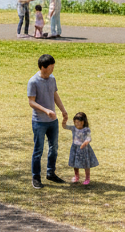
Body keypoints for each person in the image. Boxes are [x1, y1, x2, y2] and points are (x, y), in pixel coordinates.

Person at [27, 53, 70, 188]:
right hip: (39, 121)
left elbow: (55, 94)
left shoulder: (52, 79)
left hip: (53, 121)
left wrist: (63, 110)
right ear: (43, 67)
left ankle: (51, 173)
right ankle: (36, 177)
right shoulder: (33, 81)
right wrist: (46, 110)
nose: (53, 69)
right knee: (38, 149)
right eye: (51, 67)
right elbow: (31, 102)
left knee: (54, 147)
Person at [67, 112, 99, 185]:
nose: (77, 124)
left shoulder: (86, 129)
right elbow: (64, 126)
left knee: (86, 164)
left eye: (79, 122)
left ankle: (87, 178)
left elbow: (89, 137)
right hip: (75, 148)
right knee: (75, 163)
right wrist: (64, 119)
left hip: (84, 149)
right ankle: (76, 176)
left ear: (83, 122)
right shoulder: (73, 128)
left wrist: (86, 142)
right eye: (75, 122)